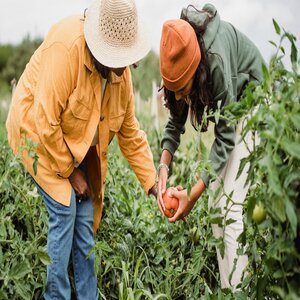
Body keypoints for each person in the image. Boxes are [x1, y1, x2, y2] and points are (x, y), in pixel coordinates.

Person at [6, 0, 157, 298]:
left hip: (77, 146)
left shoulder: (120, 77)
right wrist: (71, 173)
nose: (124, 67)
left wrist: (153, 184)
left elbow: (130, 134)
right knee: (65, 211)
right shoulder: (66, 50)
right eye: (118, 58)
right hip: (36, 135)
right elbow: (45, 121)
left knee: (86, 220)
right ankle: (57, 295)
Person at [157, 3, 264, 289]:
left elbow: (227, 136)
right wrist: (163, 168)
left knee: (231, 211)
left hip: (252, 106)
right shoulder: (178, 54)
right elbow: (175, 123)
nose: (179, 96)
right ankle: (230, 290)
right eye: (173, 90)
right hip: (232, 117)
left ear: (197, 71)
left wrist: (191, 195)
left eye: (182, 89)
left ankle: (242, 291)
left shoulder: (215, 60)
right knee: (217, 209)